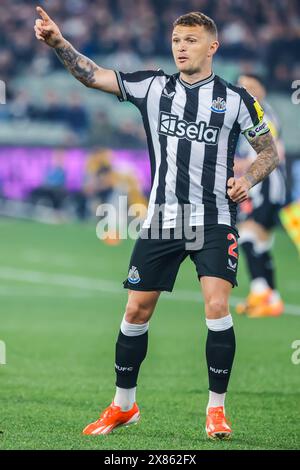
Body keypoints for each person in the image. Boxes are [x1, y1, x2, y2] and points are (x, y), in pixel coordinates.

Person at [34, 7, 279, 439]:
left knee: (217, 307)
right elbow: (93, 76)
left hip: (214, 219)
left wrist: (247, 178)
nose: (181, 47)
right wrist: (58, 42)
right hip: (165, 219)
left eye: (190, 40)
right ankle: (123, 405)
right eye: (176, 40)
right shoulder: (153, 87)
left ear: (211, 46)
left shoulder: (237, 100)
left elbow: (268, 152)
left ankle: (216, 411)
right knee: (135, 311)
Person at [234, 74, 286, 318]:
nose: (248, 91)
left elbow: (273, 151)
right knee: (261, 243)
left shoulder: (263, 114)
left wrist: (241, 164)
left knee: (246, 236)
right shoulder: (248, 115)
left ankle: (259, 291)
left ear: (262, 89)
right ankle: (272, 299)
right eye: (243, 87)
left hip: (266, 185)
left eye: (253, 86)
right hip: (261, 186)